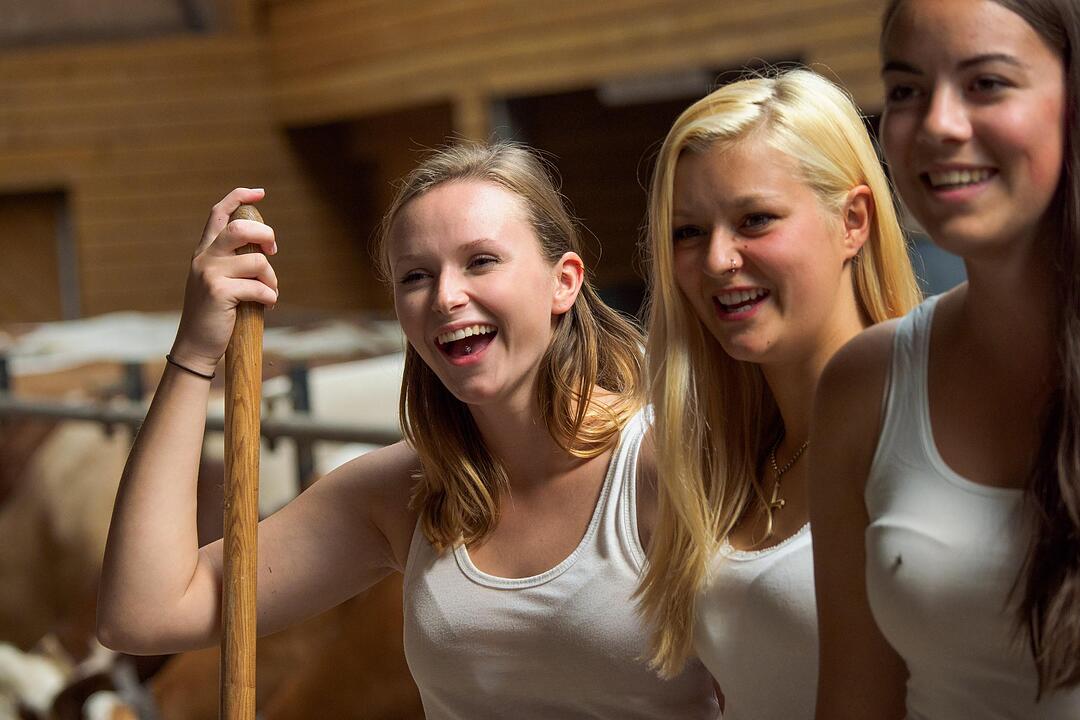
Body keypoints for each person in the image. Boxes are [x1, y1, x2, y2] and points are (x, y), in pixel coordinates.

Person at [96, 141, 720, 719]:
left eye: (481, 261)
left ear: (564, 282)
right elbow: (143, 613)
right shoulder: (404, 493)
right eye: (415, 276)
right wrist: (196, 354)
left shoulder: (674, 463)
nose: (446, 296)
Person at [811, 0, 1080, 717]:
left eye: (986, 83)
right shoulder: (864, 385)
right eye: (905, 90)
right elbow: (855, 700)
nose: (939, 124)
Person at [634, 68, 920, 719]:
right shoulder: (725, 461)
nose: (717, 260)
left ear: (852, 222)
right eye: (688, 232)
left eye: (755, 220)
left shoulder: (923, 425)